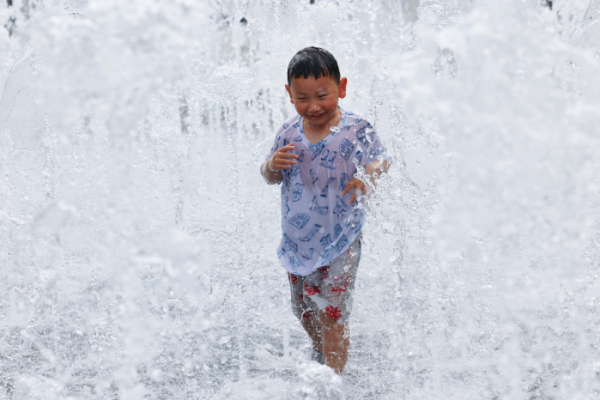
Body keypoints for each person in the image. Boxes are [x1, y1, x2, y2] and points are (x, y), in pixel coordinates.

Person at [261, 47, 390, 374]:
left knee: (331, 313)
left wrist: (367, 174)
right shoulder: (289, 132)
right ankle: (322, 352)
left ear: (341, 88)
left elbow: (383, 159)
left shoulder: (356, 128)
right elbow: (269, 176)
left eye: (322, 95)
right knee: (303, 309)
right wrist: (271, 165)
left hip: (340, 240)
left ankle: (334, 381)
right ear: (289, 94)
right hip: (297, 241)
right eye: (303, 98)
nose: (314, 106)